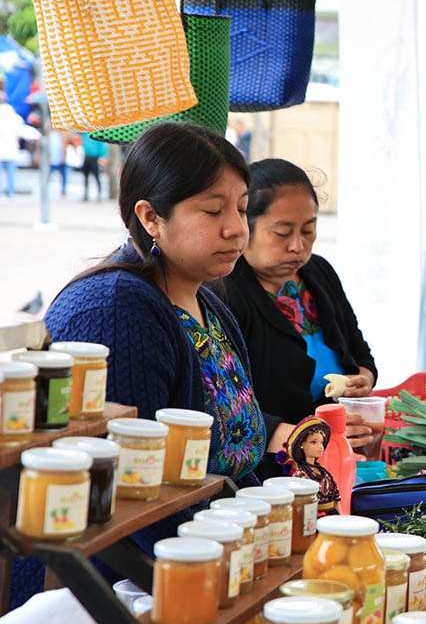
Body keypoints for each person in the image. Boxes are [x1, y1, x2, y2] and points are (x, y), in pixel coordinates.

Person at [45, 123, 294, 479]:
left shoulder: (208, 304)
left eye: (241, 209)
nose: (237, 229)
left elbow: (236, 469)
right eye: (212, 211)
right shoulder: (116, 312)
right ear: (151, 217)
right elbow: (135, 485)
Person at [221, 158, 378, 443]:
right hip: (277, 463)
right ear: (245, 226)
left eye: (308, 230)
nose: (297, 246)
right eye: (282, 233)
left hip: (341, 442)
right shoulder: (226, 294)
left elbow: (360, 353)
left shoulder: (320, 273)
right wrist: (305, 440)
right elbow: (228, 407)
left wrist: (363, 379)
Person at [79, 132, 107, 201]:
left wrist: (102, 156)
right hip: (86, 157)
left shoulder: (97, 134)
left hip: (95, 158)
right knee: (85, 177)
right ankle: (85, 194)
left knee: (96, 176)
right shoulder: (84, 134)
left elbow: (102, 146)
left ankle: (99, 194)